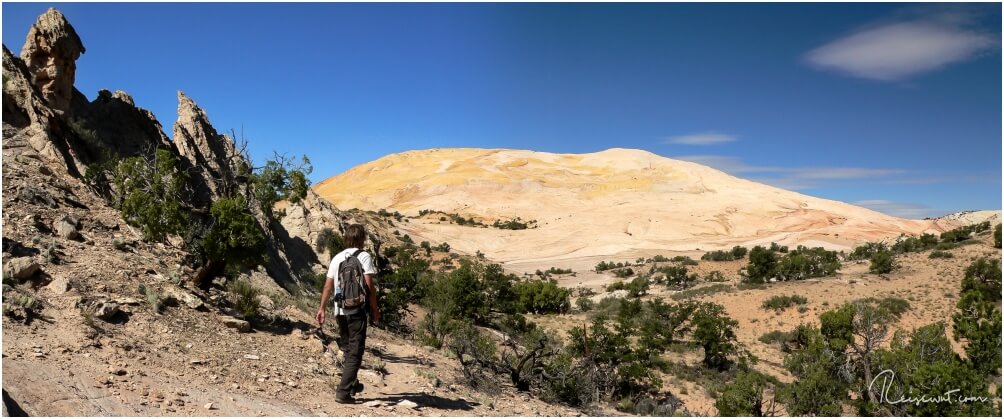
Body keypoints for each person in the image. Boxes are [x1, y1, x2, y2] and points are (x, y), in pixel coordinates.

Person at [316, 224, 381, 404]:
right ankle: (343, 392)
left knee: (347, 347)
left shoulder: (337, 258)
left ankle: (351, 384)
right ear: (362, 239)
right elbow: (369, 286)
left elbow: (327, 285)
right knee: (355, 351)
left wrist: (321, 308)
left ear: (346, 238)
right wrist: (375, 309)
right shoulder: (364, 256)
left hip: (339, 310)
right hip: (357, 310)